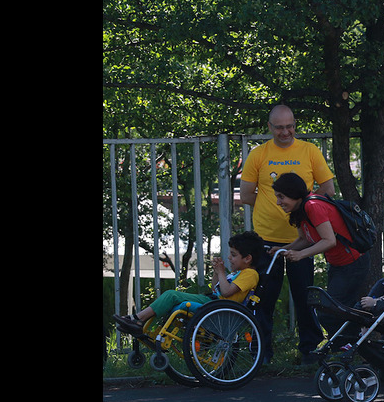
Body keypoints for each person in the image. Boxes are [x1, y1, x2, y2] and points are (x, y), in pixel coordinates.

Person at [239, 104, 336, 364]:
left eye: (290, 126)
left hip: (303, 239)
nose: (286, 132)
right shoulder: (258, 154)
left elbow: (328, 188)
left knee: (305, 297)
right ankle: (261, 352)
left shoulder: (309, 150)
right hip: (265, 239)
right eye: (280, 127)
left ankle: (310, 351)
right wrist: (275, 206)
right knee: (263, 298)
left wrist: (307, 210)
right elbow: (247, 195)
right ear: (269, 127)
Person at [271, 173, 371, 340]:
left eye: (281, 197)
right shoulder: (300, 209)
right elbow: (304, 239)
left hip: (353, 263)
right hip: (338, 265)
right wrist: (282, 250)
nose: (278, 202)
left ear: (294, 193)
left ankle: (348, 347)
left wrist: (300, 255)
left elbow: (329, 240)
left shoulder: (313, 206)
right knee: (337, 309)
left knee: (330, 312)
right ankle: (351, 346)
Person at [114, 231, 263, 334]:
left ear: (247, 258)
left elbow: (226, 292)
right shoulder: (239, 273)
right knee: (172, 299)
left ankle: (138, 320)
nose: (229, 258)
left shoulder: (250, 274)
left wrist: (222, 272)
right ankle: (142, 323)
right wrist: (218, 272)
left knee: (171, 295)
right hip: (215, 302)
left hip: (219, 307)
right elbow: (215, 289)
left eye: (233, 255)